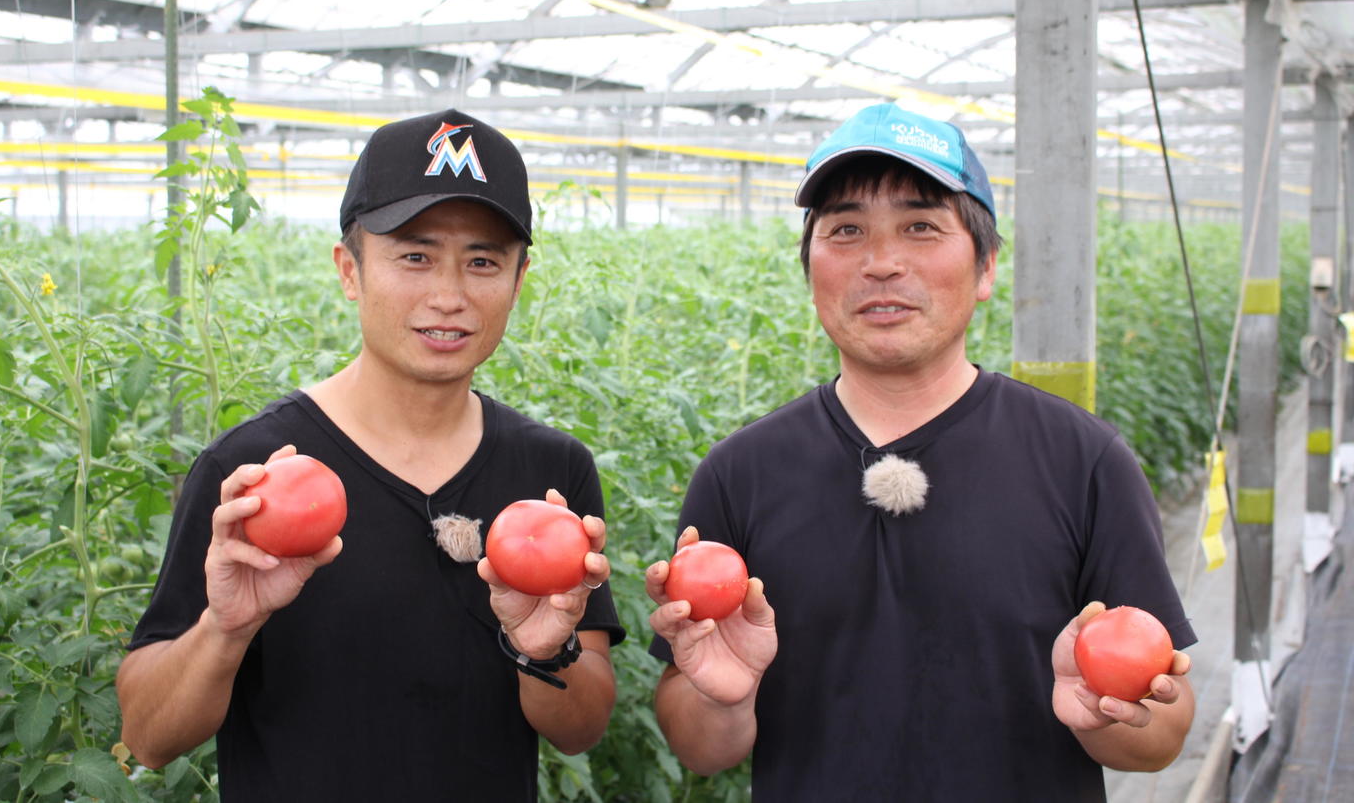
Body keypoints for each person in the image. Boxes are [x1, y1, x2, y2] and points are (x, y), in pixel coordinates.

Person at [645, 102, 1196, 801]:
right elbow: (700, 749)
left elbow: (1164, 735)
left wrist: (1103, 717)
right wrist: (722, 697)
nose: (881, 263)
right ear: (809, 267)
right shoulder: (739, 474)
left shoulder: (1083, 462)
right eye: (845, 230)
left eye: (921, 227)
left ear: (987, 266)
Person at [117, 110, 623, 801]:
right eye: (414, 256)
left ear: (519, 278)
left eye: (483, 260)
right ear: (349, 269)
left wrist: (544, 650)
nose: (449, 296)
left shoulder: (552, 476)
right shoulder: (252, 473)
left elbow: (582, 727)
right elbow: (146, 735)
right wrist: (225, 628)